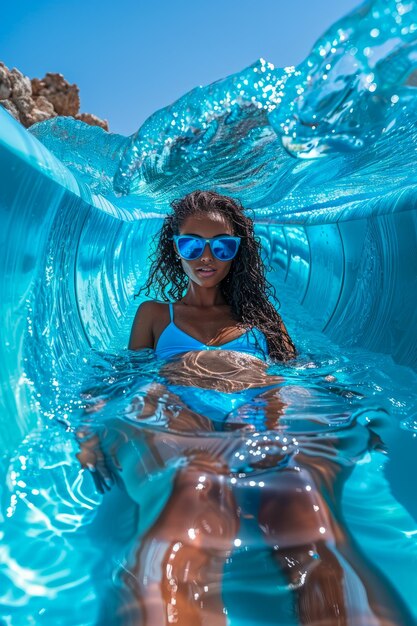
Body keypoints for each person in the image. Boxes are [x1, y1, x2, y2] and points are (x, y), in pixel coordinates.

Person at [77, 190, 413, 625]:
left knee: (299, 499)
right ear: (174, 248)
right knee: (195, 487)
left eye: (222, 245)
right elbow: (124, 376)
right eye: (191, 244)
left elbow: (301, 374)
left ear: (237, 251)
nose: (206, 256)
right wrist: (90, 427)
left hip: (257, 411)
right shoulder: (156, 314)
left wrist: (356, 410)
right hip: (181, 413)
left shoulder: (260, 320)